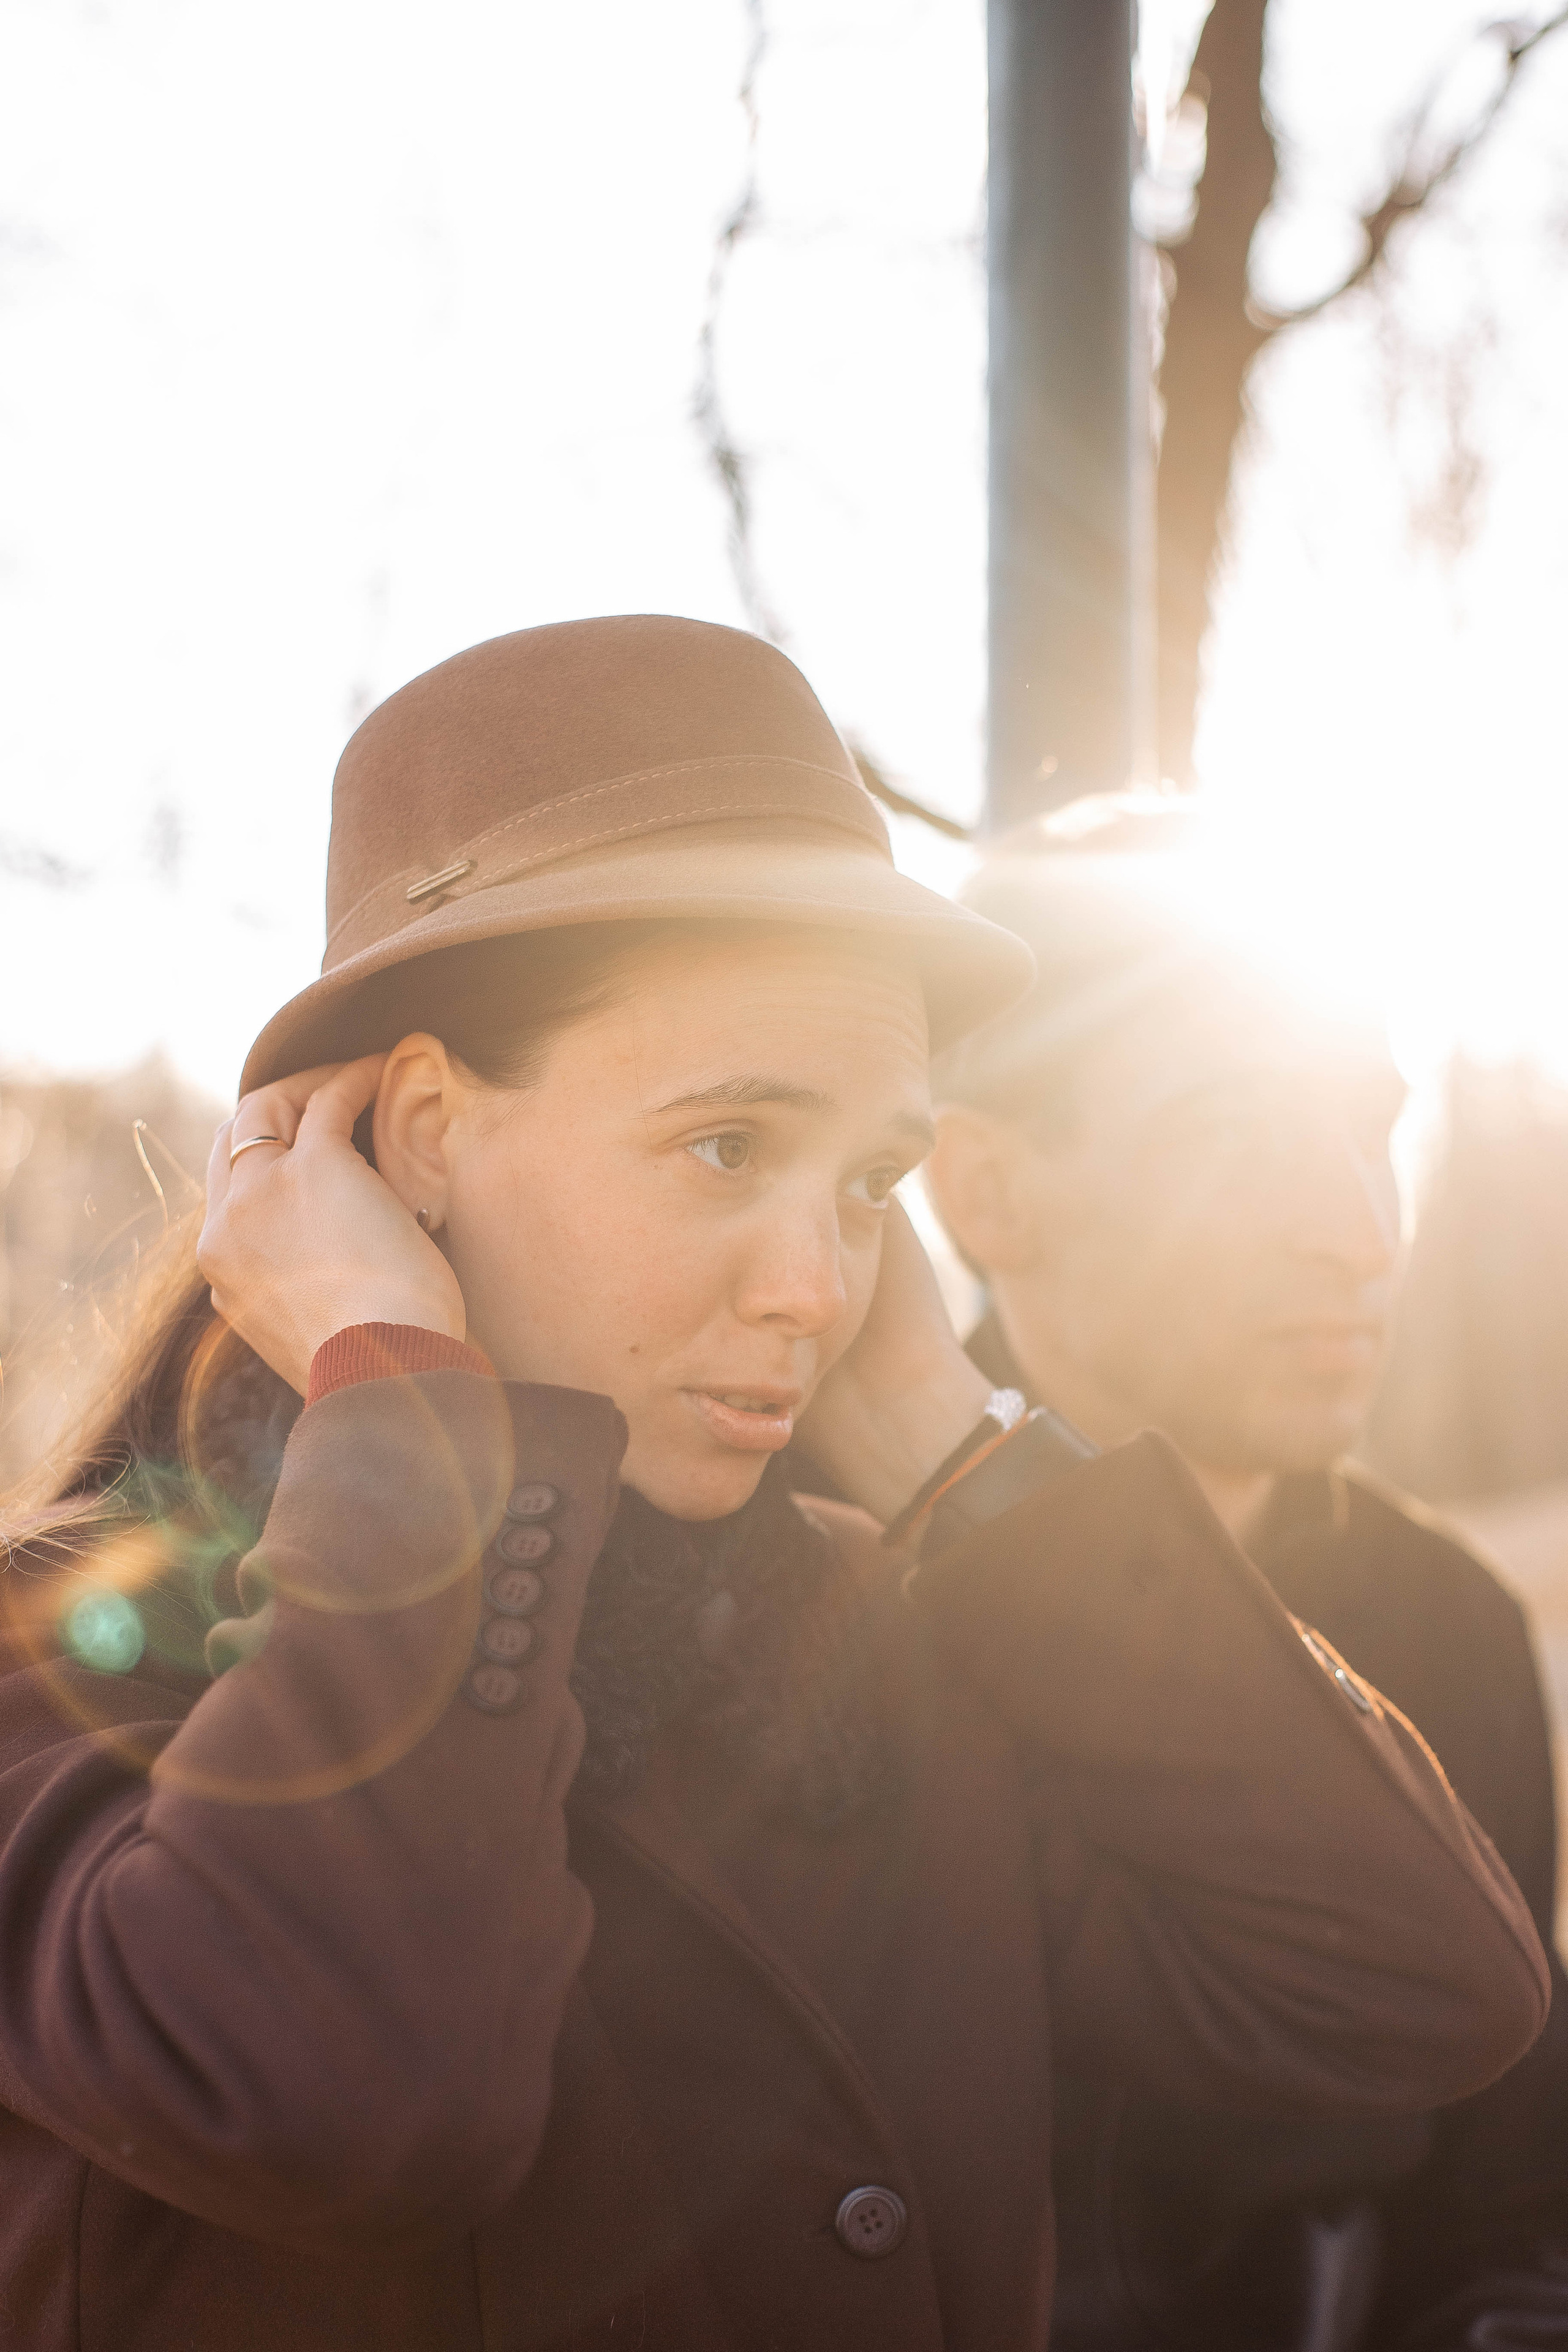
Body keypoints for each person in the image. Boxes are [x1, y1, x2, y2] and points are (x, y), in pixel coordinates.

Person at [0, 625, 1548, 2352]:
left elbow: (1419, 1993)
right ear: (422, 1132)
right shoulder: (64, 1668)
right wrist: (408, 1403)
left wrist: (954, 1450)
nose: (817, 1283)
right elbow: (356, 2105)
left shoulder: (875, 1658)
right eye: (729, 1146)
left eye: (870, 1177)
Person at [925, 795, 1568, 2352]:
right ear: (986, 1190)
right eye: (1233, 1139)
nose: (1356, 1235)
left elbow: (1514, 2219)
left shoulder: (1441, 1627)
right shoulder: (803, 1613)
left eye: (1368, 1133)